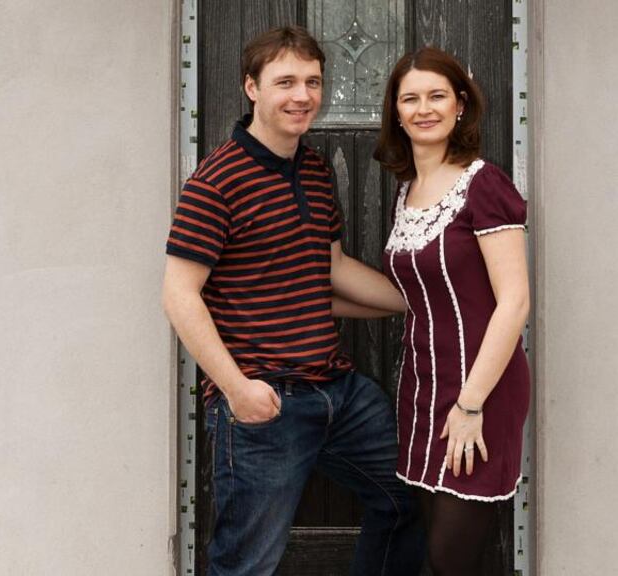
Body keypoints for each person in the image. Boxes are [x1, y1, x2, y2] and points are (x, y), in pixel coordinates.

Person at [161, 26, 424, 576]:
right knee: (246, 563)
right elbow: (179, 295)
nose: (302, 95)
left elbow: (330, 269)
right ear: (251, 88)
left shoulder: (313, 168)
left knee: (407, 500)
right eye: (285, 81)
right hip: (264, 403)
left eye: (312, 81)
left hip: (339, 392)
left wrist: (417, 300)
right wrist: (237, 390)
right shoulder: (217, 181)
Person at [373, 46, 532, 575]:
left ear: (460, 105)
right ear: (396, 111)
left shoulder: (484, 183)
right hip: (421, 389)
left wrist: (470, 405)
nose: (425, 108)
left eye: (437, 95)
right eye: (410, 98)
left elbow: (514, 301)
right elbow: (417, 294)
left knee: (449, 559)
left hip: (479, 391)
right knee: (437, 555)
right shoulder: (408, 190)